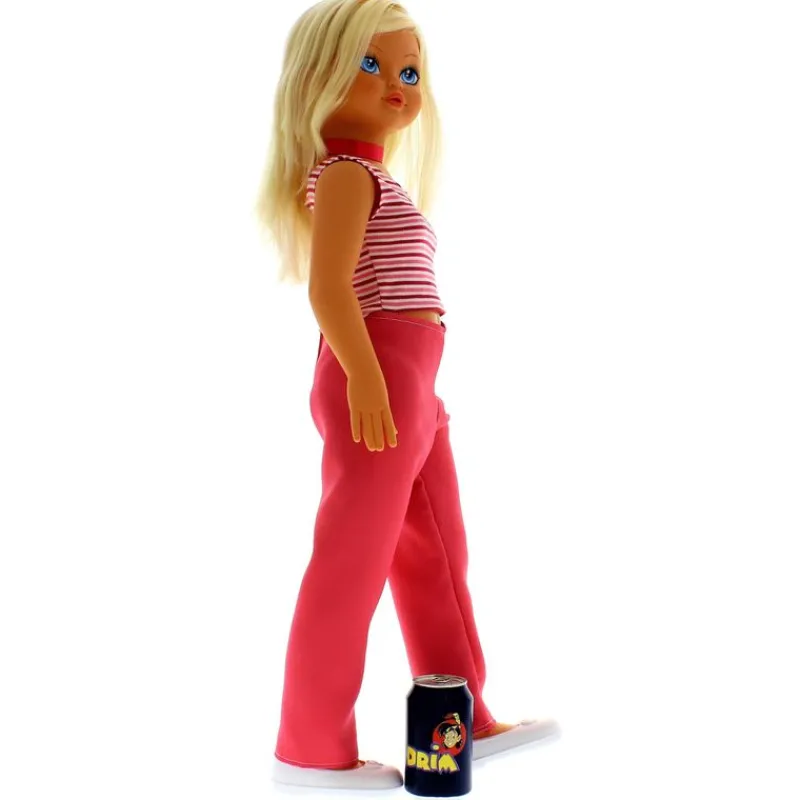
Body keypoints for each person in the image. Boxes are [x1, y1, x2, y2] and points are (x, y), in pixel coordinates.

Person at [255, 0, 559, 789]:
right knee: (350, 565)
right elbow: (329, 290)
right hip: (378, 374)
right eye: (372, 65)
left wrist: (405, 385)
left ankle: (461, 719)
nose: (397, 85)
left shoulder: (375, 177)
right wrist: (364, 375)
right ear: (320, 78)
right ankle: (310, 748)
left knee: (437, 554)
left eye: (411, 71)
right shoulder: (346, 176)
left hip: (413, 377)